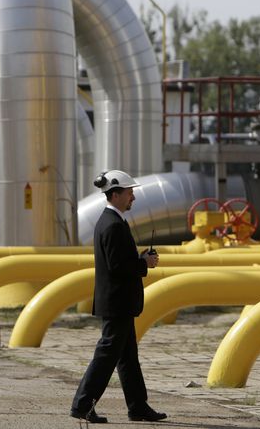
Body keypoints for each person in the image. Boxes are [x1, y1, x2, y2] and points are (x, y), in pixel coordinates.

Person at [70, 170, 168, 424]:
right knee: (107, 355)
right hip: (117, 303)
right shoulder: (113, 224)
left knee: (128, 358)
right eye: (129, 192)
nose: (132, 196)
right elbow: (117, 267)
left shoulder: (112, 221)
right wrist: (144, 263)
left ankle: (138, 406)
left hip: (119, 302)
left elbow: (119, 262)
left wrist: (139, 259)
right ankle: (83, 404)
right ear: (115, 195)